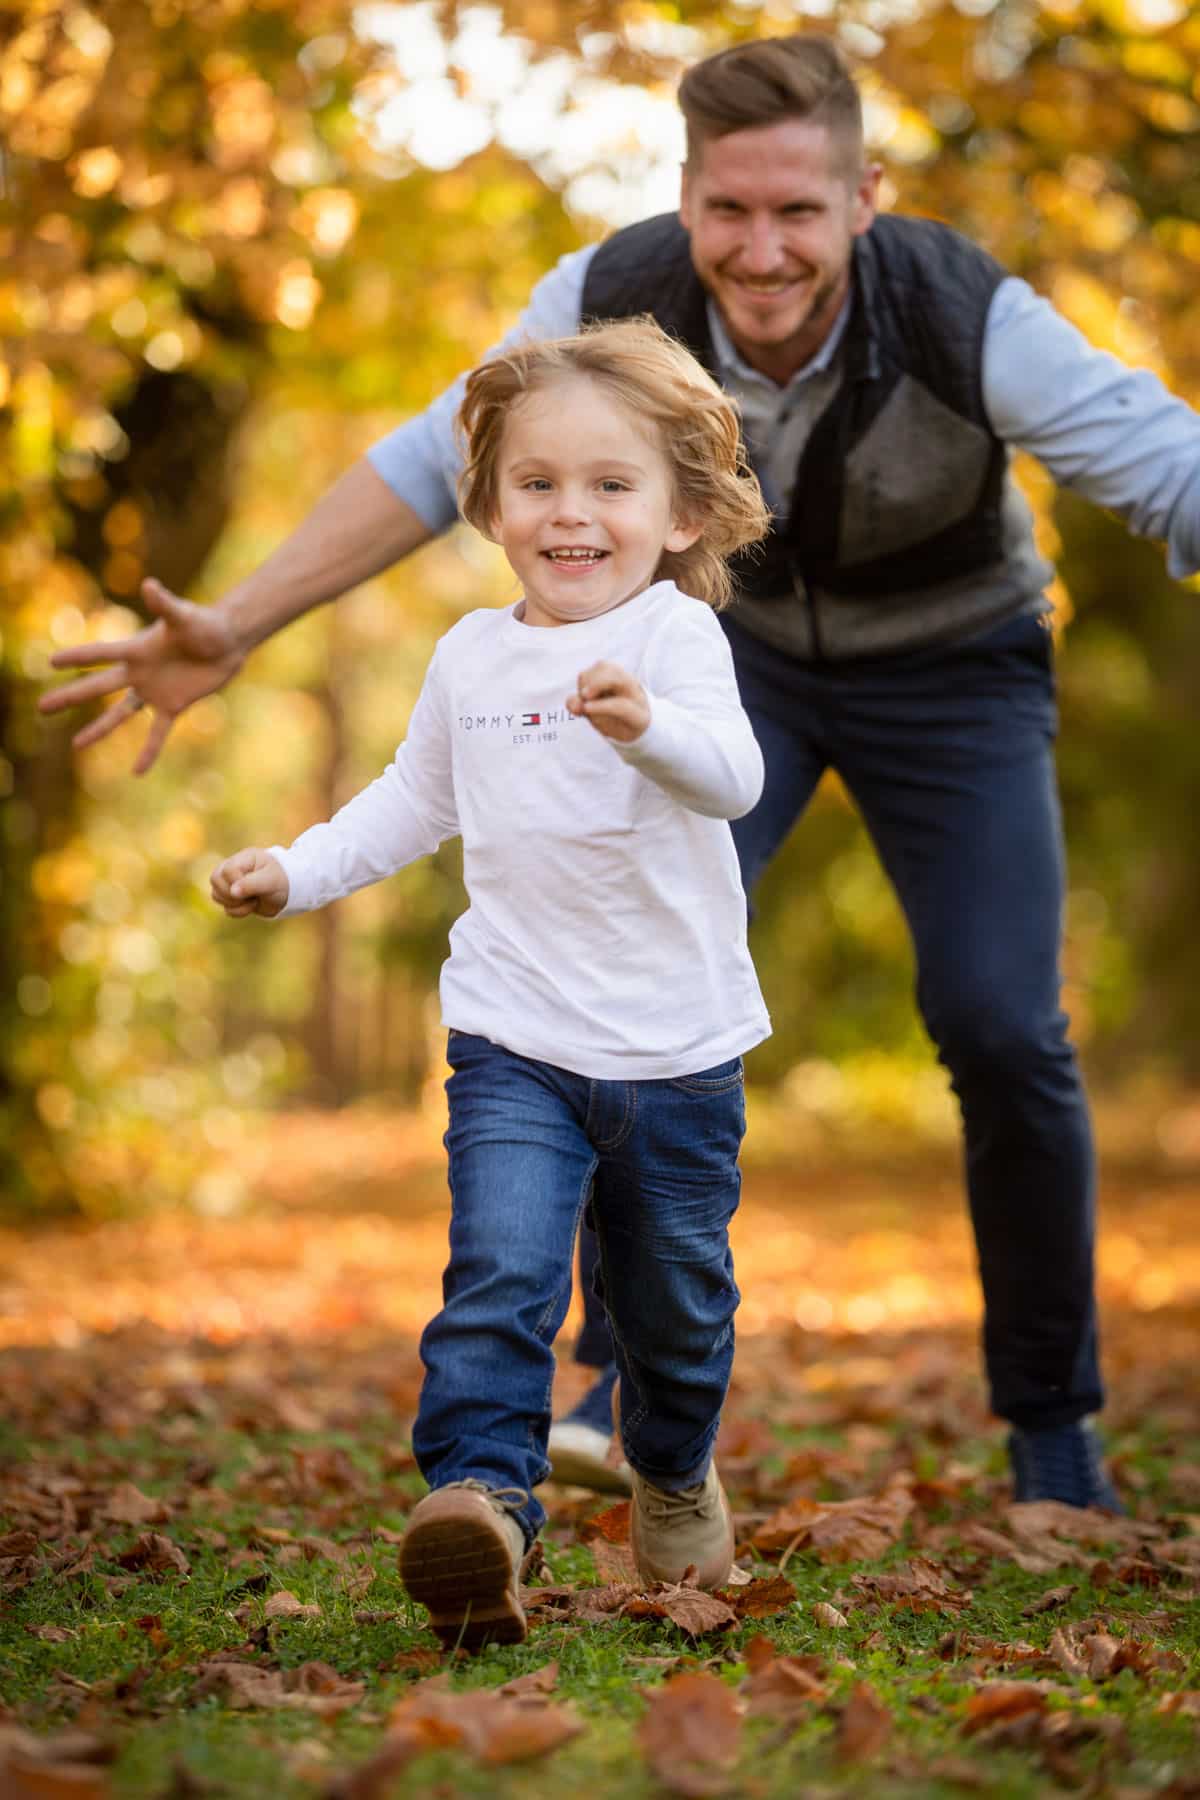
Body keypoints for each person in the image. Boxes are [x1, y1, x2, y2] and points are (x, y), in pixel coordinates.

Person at [43, 32, 1200, 1509]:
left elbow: (1162, 461)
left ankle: (1054, 1438)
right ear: (687, 196)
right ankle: (613, 1393)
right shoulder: (611, 292)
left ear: (865, 199)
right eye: (730, 209)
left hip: (954, 668)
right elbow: (426, 461)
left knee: (1000, 1025)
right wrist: (241, 623)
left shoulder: (963, 307)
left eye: (799, 210)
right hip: (703, 655)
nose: (761, 249)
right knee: (599, 937)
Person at [209, 319, 773, 1648]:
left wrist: (650, 730)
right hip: (513, 1039)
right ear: (492, 502)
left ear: (683, 509)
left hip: (679, 1052)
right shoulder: (470, 655)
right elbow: (414, 801)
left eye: (610, 485)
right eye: (537, 484)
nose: (569, 514)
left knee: (676, 1313)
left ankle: (674, 1466)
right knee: (500, 1275)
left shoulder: (677, 640)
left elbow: (737, 778)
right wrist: (293, 873)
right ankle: (483, 1504)